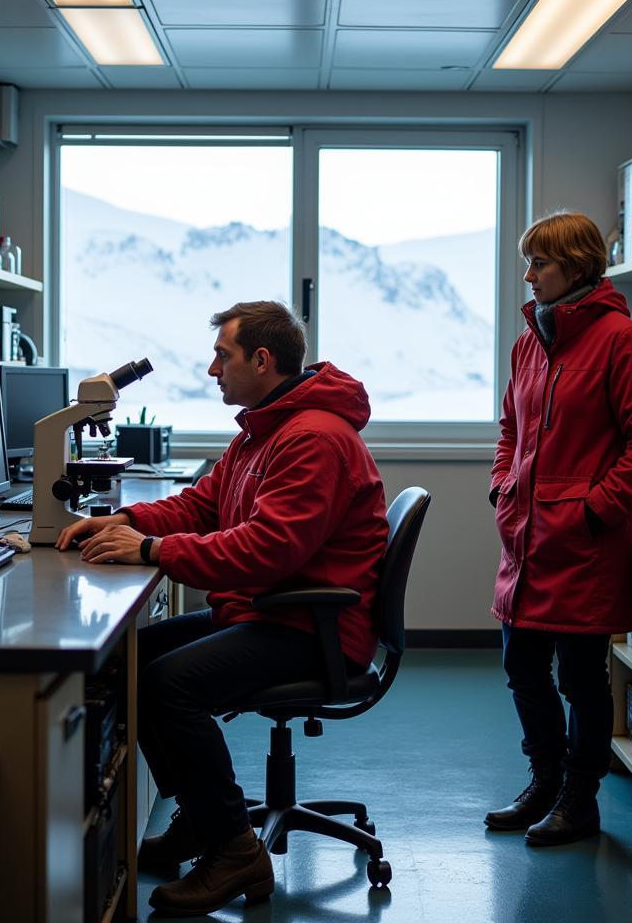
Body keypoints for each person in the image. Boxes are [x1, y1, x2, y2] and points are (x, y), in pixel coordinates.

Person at [57, 300, 388, 916]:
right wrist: (127, 520)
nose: (213, 370)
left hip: (311, 626)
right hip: (272, 610)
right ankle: (199, 821)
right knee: (135, 655)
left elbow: (267, 549)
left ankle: (234, 851)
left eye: (223, 356)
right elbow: (202, 506)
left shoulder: (312, 438)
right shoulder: (264, 427)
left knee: (167, 686)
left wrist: (151, 550)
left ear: (262, 361)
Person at [485, 211, 632, 846]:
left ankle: (579, 798)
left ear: (578, 266)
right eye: (530, 261)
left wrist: (597, 508)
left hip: (582, 543)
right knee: (521, 667)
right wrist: (503, 488)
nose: (529, 273)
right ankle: (543, 782)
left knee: (580, 678)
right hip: (528, 539)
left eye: (540, 262)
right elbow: (511, 429)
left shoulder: (621, 339)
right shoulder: (528, 342)